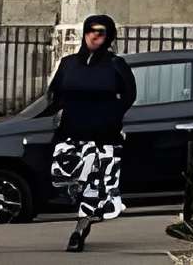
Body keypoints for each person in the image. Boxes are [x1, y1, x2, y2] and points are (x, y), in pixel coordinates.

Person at [41, 14, 136, 252]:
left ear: (108, 36)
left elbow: (129, 95)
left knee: (94, 187)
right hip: (71, 133)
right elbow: (54, 95)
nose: (95, 35)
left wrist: (111, 115)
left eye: (101, 31)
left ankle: (79, 230)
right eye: (90, 30)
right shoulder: (68, 63)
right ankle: (85, 216)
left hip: (103, 136)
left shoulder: (116, 65)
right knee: (66, 180)